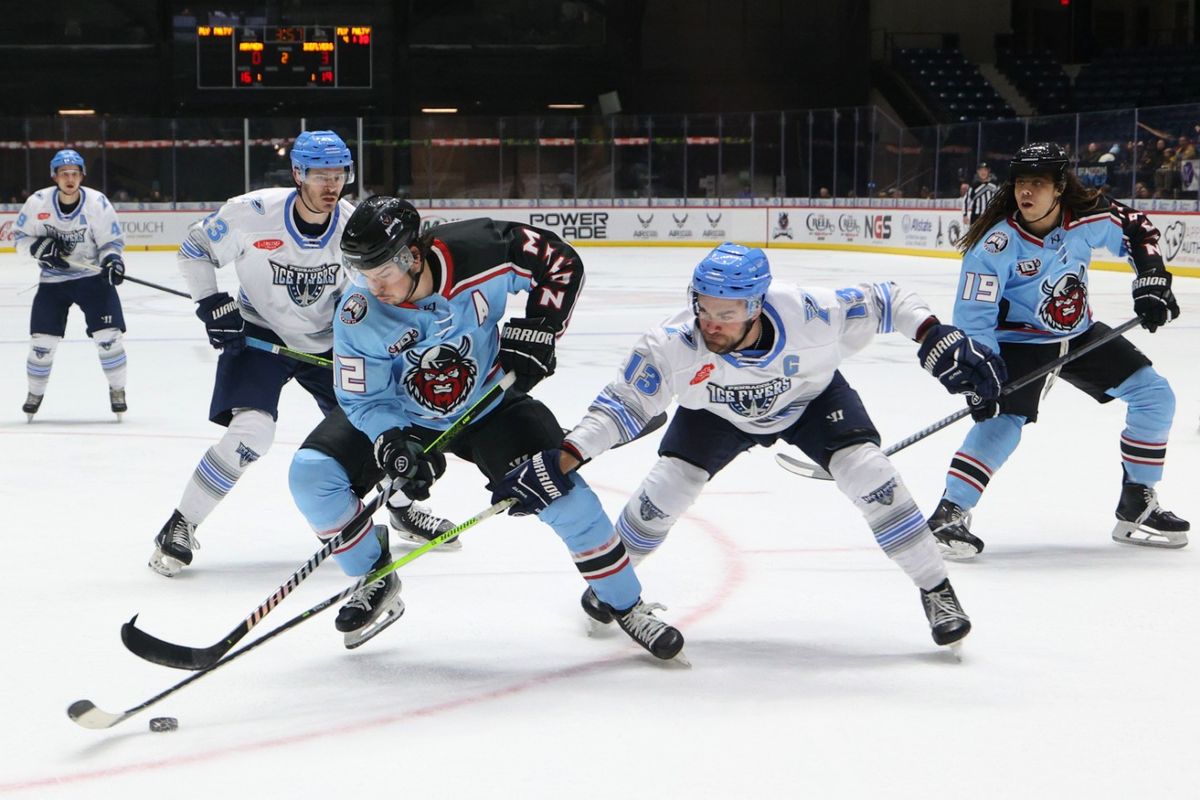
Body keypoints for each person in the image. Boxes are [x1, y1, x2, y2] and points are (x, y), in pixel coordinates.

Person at [492, 242, 1007, 652]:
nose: (711, 323)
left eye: (729, 312)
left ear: (757, 304)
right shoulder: (673, 343)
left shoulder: (810, 313)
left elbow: (888, 299)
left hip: (810, 399)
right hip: (715, 413)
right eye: (704, 309)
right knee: (666, 492)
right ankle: (614, 585)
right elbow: (623, 404)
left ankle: (936, 590)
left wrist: (936, 334)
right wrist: (566, 456)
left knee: (872, 476)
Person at [327, 195, 685, 660]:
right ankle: (373, 578)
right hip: (407, 415)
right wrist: (391, 440)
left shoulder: (483, 248)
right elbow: (363, 398)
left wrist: (541, 326)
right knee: (314, 476)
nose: (372, 289)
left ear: (411, 255)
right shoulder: (359, 312)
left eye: (381, 274)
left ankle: (626, 604)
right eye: (362, 275)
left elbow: (559, 261)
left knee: (565, 496)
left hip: (489, 404)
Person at [148, 132, 451, 577]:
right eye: (320, 176)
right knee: (252, 432)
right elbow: (195, 249)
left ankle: (401, 508)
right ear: (297, 174)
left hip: (330, 341)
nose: (332, 186)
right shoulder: (251, 214)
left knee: (375, 428)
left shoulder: (354, 225)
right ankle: (181, 524)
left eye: (339, 175)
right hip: (259, 333)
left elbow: (376, 294)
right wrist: (211, 303)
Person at [929, 141, 1188, 560]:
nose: (1025, 192)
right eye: (1020, 183)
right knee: (1003, 420)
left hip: (1079, 332)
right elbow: (975, 314)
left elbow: (1138, 228)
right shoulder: (995, 246)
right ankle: (950, 511)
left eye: (1037, 183)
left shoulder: (1087, 216)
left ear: (1059, 187)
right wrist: (983, 369)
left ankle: (1137, 503)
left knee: (1154, 395)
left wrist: (1152, 279)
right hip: (1019, 341)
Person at [13, 149, 128, 421]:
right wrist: (39, 247)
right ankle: (35, 392)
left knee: (109, 339)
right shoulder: (37, 203)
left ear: (82, 176)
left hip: (93, 279)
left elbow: (112, 244)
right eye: (64, 173)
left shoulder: (97, 203)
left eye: (74, 173)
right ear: (55, 176)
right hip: (54, 282)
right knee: (42, 344)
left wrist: (113, 261)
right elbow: (19, 240)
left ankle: (117, 389)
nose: (69, 178)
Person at [962, 162, 999, 226]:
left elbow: (1000, 199)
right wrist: (965, 215)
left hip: (991, 217)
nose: (983, 172)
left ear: (988, 171)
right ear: (977, 172)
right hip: (977, 217)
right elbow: (966, 201)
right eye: (981, 170)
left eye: (985, 170)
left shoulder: (995, 185)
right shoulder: (974, 187)